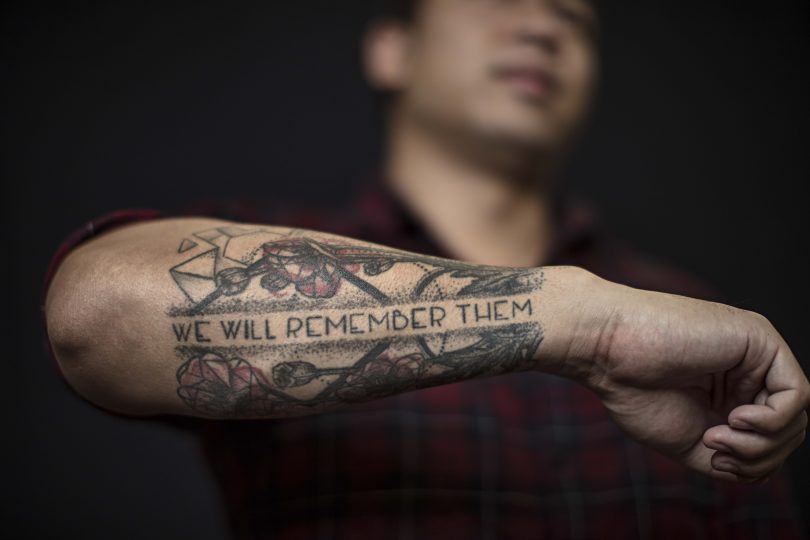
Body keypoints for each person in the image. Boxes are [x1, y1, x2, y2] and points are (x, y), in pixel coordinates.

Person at [42, 0, 809, 538]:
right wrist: (583, 325)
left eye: (576, 19)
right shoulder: (263, 252)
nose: (544, 25)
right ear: (393, 48)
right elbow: (94, 317)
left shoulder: (695, 323)